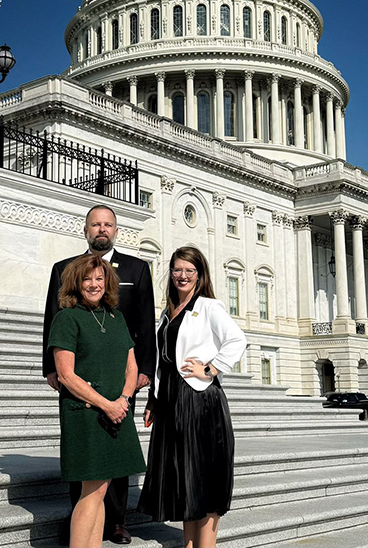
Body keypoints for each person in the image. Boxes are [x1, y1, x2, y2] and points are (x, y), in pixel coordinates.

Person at [43, 204, 155, 545]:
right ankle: (82, 528)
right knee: (90, 483)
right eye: (96, 224)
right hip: (87, 397)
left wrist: (139, 379)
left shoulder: (134, 274)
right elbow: (52, 317)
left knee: (109, 476)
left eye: (108, 224)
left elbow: (144, 327)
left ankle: (115, 522)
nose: (102, 229)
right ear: (86, 229)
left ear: (116, 230)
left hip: (121, 387)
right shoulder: (66, 279)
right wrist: (51, 369)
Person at [138, 246, 246, 548]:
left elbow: (237, 339)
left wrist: (211, 368)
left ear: (200, 275)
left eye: (189, 270)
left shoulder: (209, 306)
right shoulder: (167, 312)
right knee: (183, 476)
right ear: (170, 273)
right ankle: (188, 544)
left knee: (205, 473)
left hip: (199, 399)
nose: (182, 276)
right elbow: (162, 359)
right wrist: (153, 399)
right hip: (170, 399)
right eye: (177, 270)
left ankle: (206, 545)